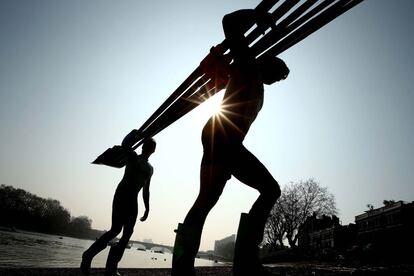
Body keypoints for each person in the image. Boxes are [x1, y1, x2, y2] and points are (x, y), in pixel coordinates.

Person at [172, 9, 289, 276]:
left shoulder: (255, 78)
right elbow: (229, 22)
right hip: (223, 138)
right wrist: (259, 15)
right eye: (279, 73)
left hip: (221, 137)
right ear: (269, 63)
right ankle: (245, 260)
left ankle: (182, 267)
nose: (278, 80)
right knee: (270, 190)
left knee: (205, 200)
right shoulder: (248, 63)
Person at [80, 136, 156, 276]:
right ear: (143, 147)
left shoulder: (150, 169)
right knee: (115, 230)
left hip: (133, 199)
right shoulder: (133, 157)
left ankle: (111, 267)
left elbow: (146, 190)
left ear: (153, 151)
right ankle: (88, 255)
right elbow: (125, 144)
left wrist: (147, 208)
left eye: (150, 147)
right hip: (122, 194)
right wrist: (136, 133)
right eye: (146, 146)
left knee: (128, 233)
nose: (148, 149)